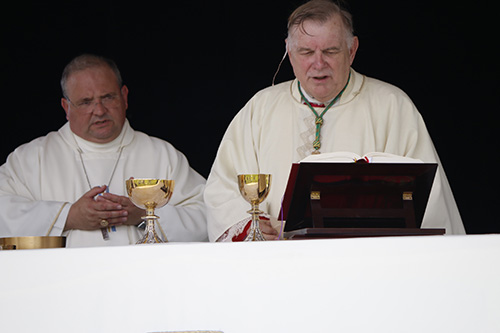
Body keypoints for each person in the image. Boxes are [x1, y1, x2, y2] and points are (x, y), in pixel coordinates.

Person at [204, 0, 466, 241]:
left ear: (352, 50)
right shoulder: (260, 109)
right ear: (289, 51)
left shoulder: (392, 106)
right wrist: (249, 226)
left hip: (367, 265)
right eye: (306, 52)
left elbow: (429, 201)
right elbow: (222, 188)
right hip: (279, 266)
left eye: (330, 51)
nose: (318, 64)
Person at [0, 54, 208, 247]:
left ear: (124, 96)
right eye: (86, 102)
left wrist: (142, 215)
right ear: (66, 107)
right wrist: (68, 216)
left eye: (108, 97)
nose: (99, 111)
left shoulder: (162, 155)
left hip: (143, 279)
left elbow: (207, 217)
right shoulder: (32, 159)